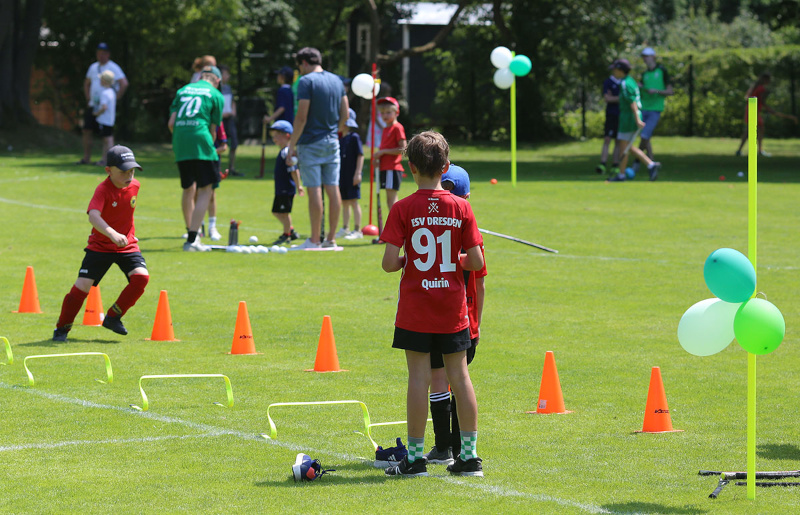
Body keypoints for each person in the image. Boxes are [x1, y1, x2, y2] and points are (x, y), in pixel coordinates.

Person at [381, 131, 485, 478]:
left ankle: (414, 459)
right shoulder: (462, 206)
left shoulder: (402, 208)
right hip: (452, 309)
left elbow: (389, 263)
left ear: (410, 167)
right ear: (446, 166)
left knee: (418, 378)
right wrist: (452, 260)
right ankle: (469, 457)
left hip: (416, 309)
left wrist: (409, 260)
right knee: (460, 377)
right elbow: (476, 261)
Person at [424, 164, 487, 466]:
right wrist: (478, 322)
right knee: (459, 380)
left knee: (440, 379)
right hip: (465, 321)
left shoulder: (429, 231)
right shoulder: (474, 237)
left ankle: (443, 447)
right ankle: (462, 450)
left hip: (437, 317)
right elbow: (481, 283)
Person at [53, 146, 148, 342]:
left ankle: (113, 317)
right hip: (100, 246)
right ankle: (62, 328)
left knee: (141, 277)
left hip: (126, 245)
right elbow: (93, 216)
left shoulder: (135, 186)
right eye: (123, 171)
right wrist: (112, 234)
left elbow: (124, 214)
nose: (129, 176)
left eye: (132, 171)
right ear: (108, 170)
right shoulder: (103, 190)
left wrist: (128, 235)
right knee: (82, 288)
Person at [286, 47, 349, 249]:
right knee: (333, 188)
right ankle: (331, 239)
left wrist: (291, 145)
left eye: (299, 66)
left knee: (314, 190)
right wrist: (335, 132)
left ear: (304, 63)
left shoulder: (306, 81)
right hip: (332, 142)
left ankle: (314, 240)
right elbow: (346, 114)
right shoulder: (337, 81)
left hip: (310, 142)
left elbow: (301, 117)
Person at [168, 65, 224, 251]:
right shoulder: (216, 95)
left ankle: (191, 231)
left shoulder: (182, 90)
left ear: (200, 77)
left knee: (188, 188)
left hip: (180, 141)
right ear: (217, 81)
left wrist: (182, 140)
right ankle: (193, 239)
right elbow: (213, 130)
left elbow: (171, 123)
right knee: (206, 189)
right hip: (201, 141)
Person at [607, 59, 661, 182]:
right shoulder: (630, 81)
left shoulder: (625, 83)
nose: (613, 72)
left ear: (621, 70)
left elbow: (632, 103)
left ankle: (622, 175)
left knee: (624, 146)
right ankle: (650, 165)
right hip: (629, 117)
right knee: (627, 147)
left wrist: (637, 119)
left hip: (628, 118)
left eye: (615, 69)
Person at [77, 42, 128, 165]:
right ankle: (87, 158)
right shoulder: (93, 67)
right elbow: (87, 83)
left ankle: (106, 159)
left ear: (108, 54)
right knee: (87, 130)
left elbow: (124, 83)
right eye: (99, 53)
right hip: (93, 105)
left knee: (106, 135)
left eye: (104, 53)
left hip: (103, 108)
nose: (101, 55)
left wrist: (115, 99)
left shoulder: (113, 67)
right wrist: (88, 98)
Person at [736, 72, 798, 157]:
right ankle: (758, 151)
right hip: (753, 111)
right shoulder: (761, 88)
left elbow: (747, 98)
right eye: (769, 79)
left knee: (753, 130)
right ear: (765, 79)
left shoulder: (755, 86)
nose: (769, 81)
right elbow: (762, 102)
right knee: (754, 130)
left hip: (751, 110)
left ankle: (745, 150)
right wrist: (771, 110)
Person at [635, 47, 673, 168]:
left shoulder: (662, 71)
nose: (645, 59)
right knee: (646, 137)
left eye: (647, 56)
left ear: (653, 57)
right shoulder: (644, 74)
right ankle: (651, 164)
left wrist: (656, 91)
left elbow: (670, 91)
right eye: (644, 56)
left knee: (644, 136)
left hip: (655, 109)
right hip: (643, 108)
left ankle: (637, 162)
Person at [269, 120, 304, 245]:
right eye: (274, 135)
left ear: (287, 136)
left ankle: (286, 235)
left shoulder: (287, 153)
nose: (274, 138)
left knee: (284, 213)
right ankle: (291, 230)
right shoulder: (283, 152)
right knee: (276, 211)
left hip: (286, 188)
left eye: (278, 135)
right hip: (280, 189)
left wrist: (298, 186)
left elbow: (294, 170)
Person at [335, 108, 364, 240]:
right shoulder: (340, 139)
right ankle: (345, 228)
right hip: (343, 176)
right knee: (344, 202)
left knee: (353, 201)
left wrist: (358, 173)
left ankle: (357, 230)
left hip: (352, 175)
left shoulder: (354, 137)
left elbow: (360, 155)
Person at [373, 96, 406, 212]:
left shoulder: (397, 127)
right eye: (382, 113)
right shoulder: (386, 128)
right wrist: (378, 159)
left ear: (396, 113)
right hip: (385, 167)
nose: (385, 115)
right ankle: (395, 221)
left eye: (388, 112)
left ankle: (396, 221)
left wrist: (383, 152)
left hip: (392, 168)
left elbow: (403, 148)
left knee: (392, 200)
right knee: (389, 200)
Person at [596, 63, 621, 176]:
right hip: (611, 114)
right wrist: (621, 98)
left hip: (621, 115)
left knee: (618, 141)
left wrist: (614, 98)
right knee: (607, 139)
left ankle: (615, 165)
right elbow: (607, 98)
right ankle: (603, 164)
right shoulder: (608, 82)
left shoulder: (625, 82)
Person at [219, 65, 242, 177]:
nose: (228, 76)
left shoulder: (228, 87)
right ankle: (217, 168)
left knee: (234, 144)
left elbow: (232, 101)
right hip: (220, 120)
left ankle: (231, 168)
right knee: (219, 144)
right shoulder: (216, 88)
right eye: (226, 74)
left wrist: (233, 111)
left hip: (229, 119)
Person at [92, 71, 117, 166]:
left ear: (104, 81)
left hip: (104, 120)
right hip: (110, 119)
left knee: (107, 141)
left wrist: (96, 113)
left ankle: (107, 160)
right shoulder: (112, 92)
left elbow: (104, 107)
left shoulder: (104, 93)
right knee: (108, 139)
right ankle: (105, 159)